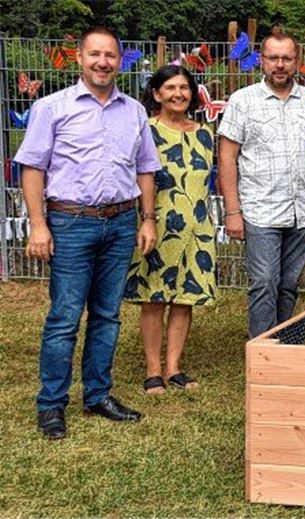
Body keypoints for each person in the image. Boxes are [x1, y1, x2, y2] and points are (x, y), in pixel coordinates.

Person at [17, 27, 161, 439]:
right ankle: (51, 404)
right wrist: (38, 224)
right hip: (70, 223)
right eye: (95, 54)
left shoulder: (134, 111)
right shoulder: (51, 107)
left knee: (107, 315)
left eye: (110, 55)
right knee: (64, 317)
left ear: (120, 61)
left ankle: (97, 394)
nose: (103, 62)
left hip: (120, 223)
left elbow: (145, 168)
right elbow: (33, 168)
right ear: (79, 58)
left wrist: (147, 218)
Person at [218, 32, 305, 338]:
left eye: (286, 58)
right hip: (260, 210)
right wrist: (232, 212)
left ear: (297, 61)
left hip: (303, 210)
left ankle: (282, 339)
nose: (280, 65)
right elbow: (227, 157)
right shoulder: (243, 101)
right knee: (264, 282)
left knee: (288, 284)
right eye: (273, 58)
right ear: (262, 60)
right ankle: (262, 348)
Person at [124, 65, 217, 394]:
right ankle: (153, 370)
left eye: (184, 87)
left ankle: (174, 367)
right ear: (157, 93)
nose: (179, 94)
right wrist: (146, 219)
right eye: (171, 88)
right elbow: (139, 177)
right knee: (154, 297)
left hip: (197, 226)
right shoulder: (146, 130)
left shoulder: (205, 133)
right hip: (158, 224)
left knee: (184, 299)